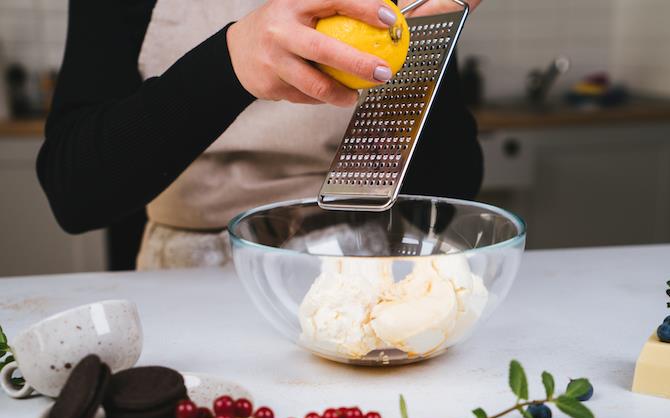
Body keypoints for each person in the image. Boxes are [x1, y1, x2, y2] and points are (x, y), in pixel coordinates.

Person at [36, 0, 483, 269]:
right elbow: (74, 191)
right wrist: (231, 63)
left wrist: (427, 44)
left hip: (359, 276)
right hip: (183, 281)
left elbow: (451, 190)